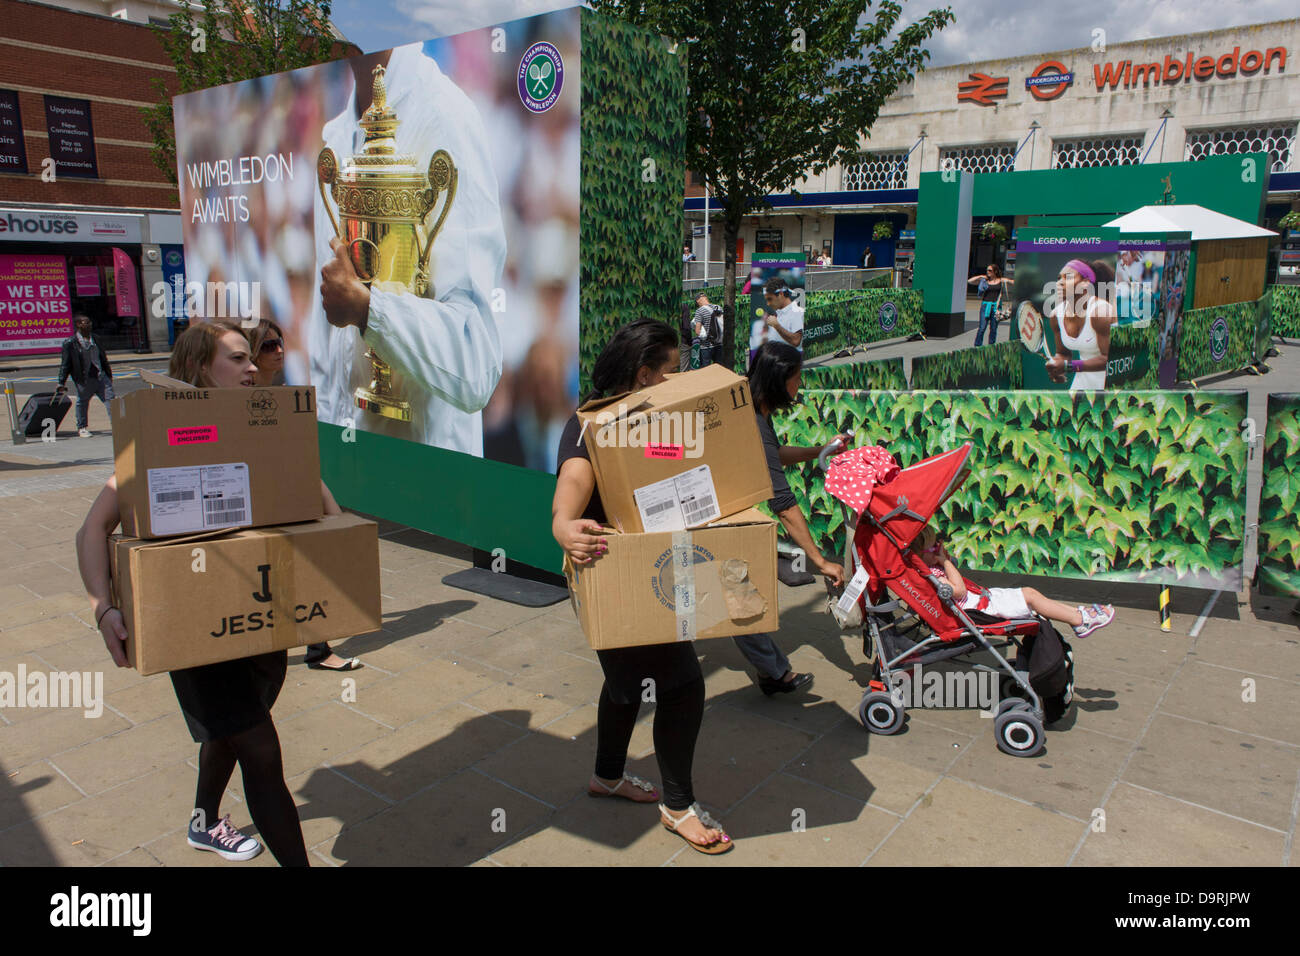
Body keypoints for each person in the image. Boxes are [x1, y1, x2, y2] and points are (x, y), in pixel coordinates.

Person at [74, 320, 342, 867]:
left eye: (252, 358)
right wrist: (104, 609)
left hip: (256, 617)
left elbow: (323, 506)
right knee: (261, 751)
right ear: (200, 368)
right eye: (238, 359)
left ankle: (203, 822)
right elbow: (90, 531)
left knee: (228, 734)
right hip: (194, 629)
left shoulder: (263, 431)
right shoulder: (155, 441)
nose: (252, 368)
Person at [553, 319, 732, 854]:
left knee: (626, 685)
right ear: (643, 374)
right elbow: (573, 481)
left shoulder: (654, 421)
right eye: (670, 372)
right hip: (616, 576)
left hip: (656, 570)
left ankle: (607, 776)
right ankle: (679, 807)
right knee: (682, 686)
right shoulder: (595, 425)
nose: (676, 382)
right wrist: (562, 524)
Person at [312, 46, 507, 456]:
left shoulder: (445, 115)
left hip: (429, 487)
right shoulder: (335, 135)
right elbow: (329, 347)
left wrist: (369, 310)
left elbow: (475, 364)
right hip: (349, 468)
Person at [247, 318, 362, 674]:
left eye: (279, 342)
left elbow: (300, 458)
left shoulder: (285, 394)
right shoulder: (241, 397)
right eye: (268, 345)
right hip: (258, 504)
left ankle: (317, 649)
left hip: (290, 497)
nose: (278, 350)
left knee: (309, 570)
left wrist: (331, 508)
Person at [733, 341, 847, 694]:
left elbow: (773, 454)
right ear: (779, 380)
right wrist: (819, 560)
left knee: (739, 595)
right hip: (719, 518)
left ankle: (771, 672)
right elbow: (782, 502)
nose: (800, 386)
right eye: (797, 378)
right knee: (737, 594)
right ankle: (774, 673)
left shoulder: (757, 409)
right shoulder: (751, 418)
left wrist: (820, 450)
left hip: (731, 513)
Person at [914, 527, 1115, 637]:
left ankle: (1077, 615)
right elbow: (958, 591)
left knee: (1033, 596)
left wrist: (942, 560)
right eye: (934, 548)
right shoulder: (935, 577)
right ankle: (1079, 620)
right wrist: (946, 562)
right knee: (1031, 596)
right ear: (921, 555)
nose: (939, 550)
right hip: (983, 611)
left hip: (984, 601)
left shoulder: (930, 571)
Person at [1046, 259, 1115, 391]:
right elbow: (1063, 353)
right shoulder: (1056, 315)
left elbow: (1109, 359)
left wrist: (1068, 366)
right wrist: (1057, 367)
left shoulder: (1100, 312)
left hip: (1112, 385)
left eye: (1068, 277)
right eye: (1059, 278)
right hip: (1082, 384)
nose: (1060, 282)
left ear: (1085, 283)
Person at [56, 315, 114, 438]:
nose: (88, 325)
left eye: (89, 322)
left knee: (111, 400)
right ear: (78, 325)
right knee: (82, 402)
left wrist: (108, 374)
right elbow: (65, 364)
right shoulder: (70, 343)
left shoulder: (96, 339)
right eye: (84, 323)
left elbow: (103, 358)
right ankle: (82, 427)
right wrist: (61, 382)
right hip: (84, 379)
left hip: (101, 376)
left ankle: (116, 424)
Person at [751, 279, 804, 355]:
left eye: (770, 299)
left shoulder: (796, 312)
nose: (768, 304)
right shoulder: (779, 313)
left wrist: (777, 326)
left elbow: (796, 341)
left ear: (781, 294)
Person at [967, 264, 1010, 346]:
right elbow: (969, 281)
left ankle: (991, 346)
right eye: (987, 270)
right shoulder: (985, 281)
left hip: (996, 307)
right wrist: (980, 276)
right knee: (982, 328)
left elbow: (1012, 282)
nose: (988, 272)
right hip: (985, 306)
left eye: (990, 270)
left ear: (995, 271)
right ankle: (977, 346)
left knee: (993, 328)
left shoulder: (1000, 280)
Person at [691, 292, 723, 368]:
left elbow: (697, 331)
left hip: (706, 346)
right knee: (719, 369)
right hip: (719, 344)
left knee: (705, 371)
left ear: (698, 301)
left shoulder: (700, 311)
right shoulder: (718, 307)